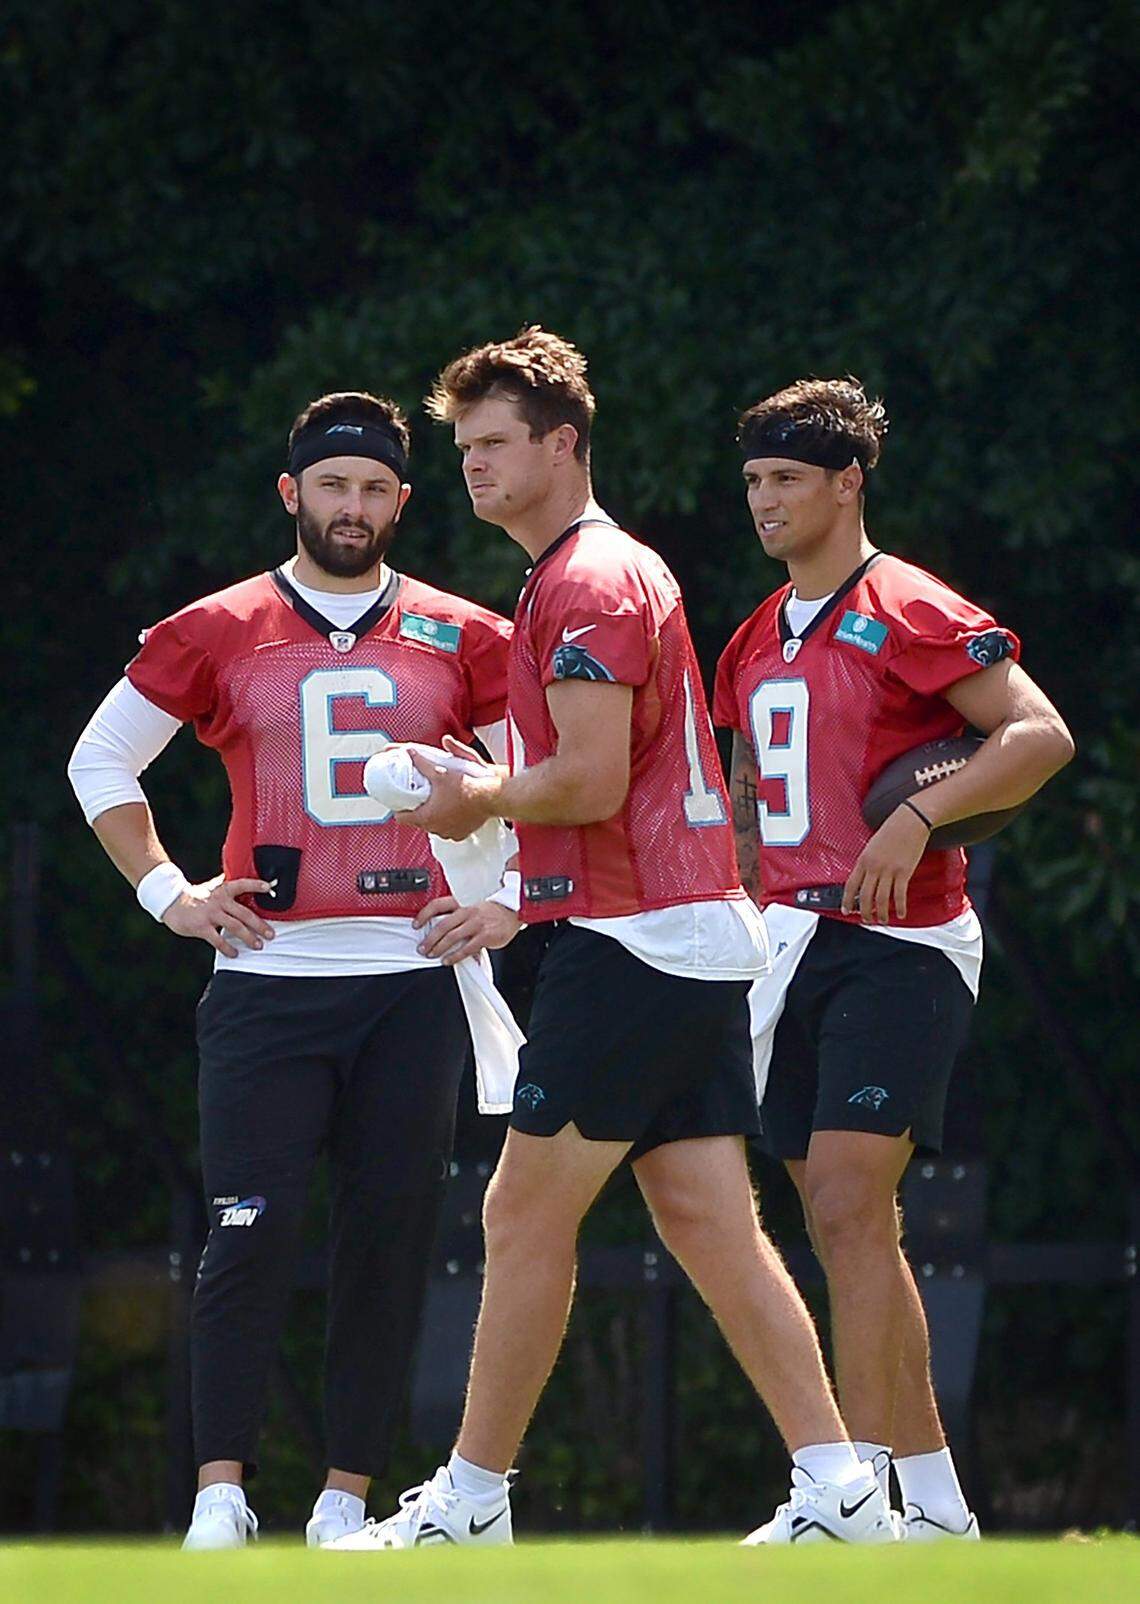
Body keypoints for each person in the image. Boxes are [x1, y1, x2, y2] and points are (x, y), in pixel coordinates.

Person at [328, 329, 897, 1551]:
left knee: (521, 1210)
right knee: (705, 1218)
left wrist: (469, 798)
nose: (472, 466)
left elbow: (585, 784)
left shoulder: (587, 578)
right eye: (464, 445)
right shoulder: (580, 575)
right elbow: (600, 779)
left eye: (494, 444)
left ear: (564, 444)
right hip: (677, 931)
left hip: (636, 939)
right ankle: (843, 1485)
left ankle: (471, 1502)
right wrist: (482, 792)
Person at [67, 392, 520, 1548]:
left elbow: (548, 772)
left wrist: (506, 898)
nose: (353, 507)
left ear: (402, 503)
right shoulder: (217, 626)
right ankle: (221, 1490)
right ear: (292, 494)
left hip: (411, 978)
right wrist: (170, 892)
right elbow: (102, 758)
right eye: (334, 486)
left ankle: (345, 1499)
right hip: (270, 978)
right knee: (247, 1228)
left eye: (373, 489)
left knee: (389, 1236)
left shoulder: (467, 633)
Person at [713, 377, 1075, 1540]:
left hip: (901, 939)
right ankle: (934, 1505)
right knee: (843, 1221)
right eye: (755, 480)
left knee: (845, 1200)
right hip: (793, 940)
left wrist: (917, 818)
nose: (765, 501)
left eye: (787, 479)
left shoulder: (910, 604)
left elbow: (1038, 733)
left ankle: (849, 1488)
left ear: (847, 480)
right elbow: (742, 799)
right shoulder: (754, 635)